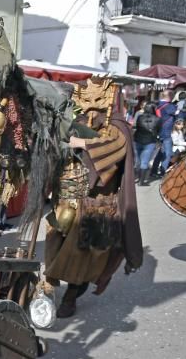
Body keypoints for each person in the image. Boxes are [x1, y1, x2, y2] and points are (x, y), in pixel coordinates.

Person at [45, 77, 142, 318]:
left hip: (97, 202)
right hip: (67, 196)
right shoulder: (73, 117)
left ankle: (72, 295)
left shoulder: (117, 124)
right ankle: (52, 286)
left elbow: (115, 147)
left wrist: (83, 143)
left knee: (82, 255)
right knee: (55, 244)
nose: (90, 107)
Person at [132, 102, 160, 186]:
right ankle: (141, 181)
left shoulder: (140, 117)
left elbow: (137, 126)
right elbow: (158, 130)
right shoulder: (157, 119)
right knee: (145, 162)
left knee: (137, 161)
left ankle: (136, 177)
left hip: (138, 140)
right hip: (150, 141)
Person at [153, 91, 179, 178]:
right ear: (170, 96)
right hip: (166, 133)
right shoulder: (169, 106)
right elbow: (177, 113)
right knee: (167, 154)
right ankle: (162, 173)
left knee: (161, 152)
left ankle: (153, 171)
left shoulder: (158, 105)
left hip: (159, 132)